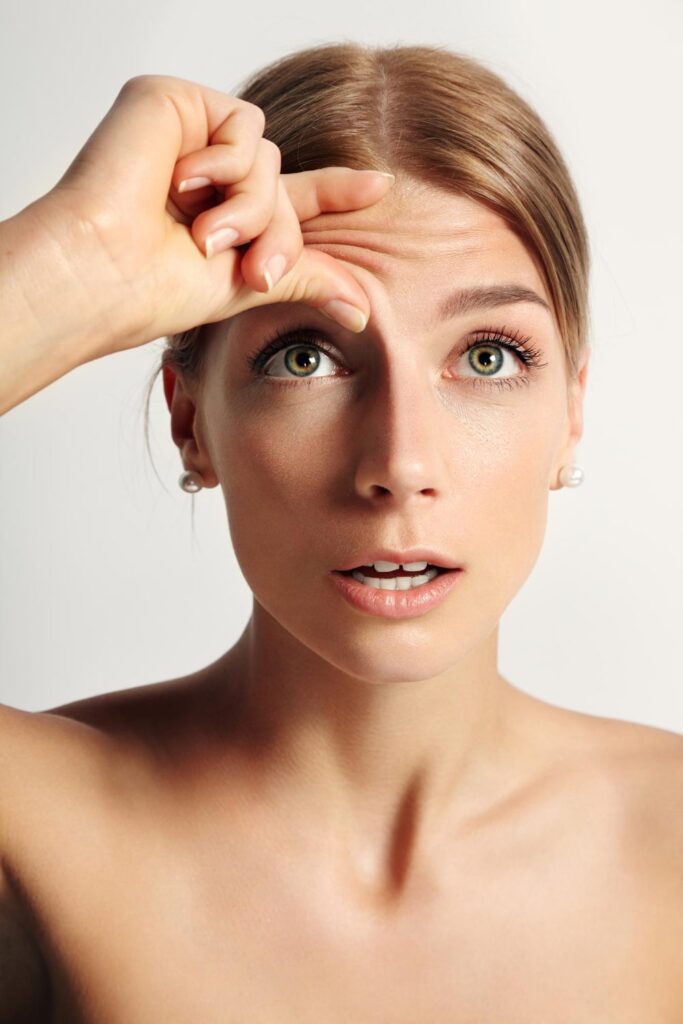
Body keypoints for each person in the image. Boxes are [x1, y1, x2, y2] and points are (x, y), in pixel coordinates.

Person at [1, 42, 682, 1023]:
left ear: (568, 416)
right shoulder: (35, 832)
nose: (399, 463)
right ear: (190, 422)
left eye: (486, 355)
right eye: (306, 355)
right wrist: (68, 269)